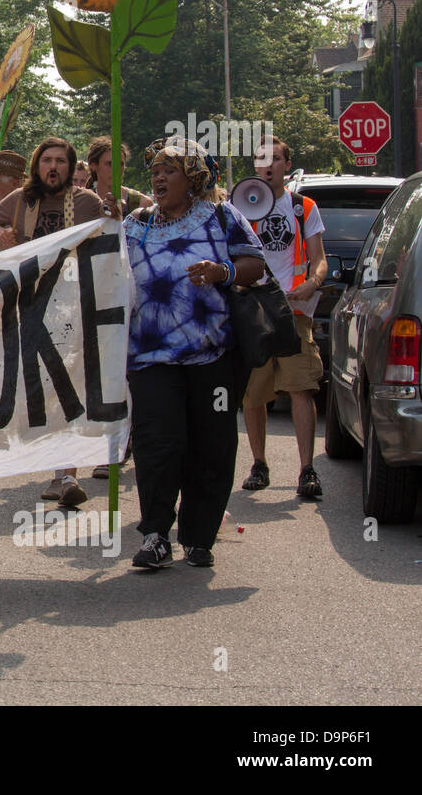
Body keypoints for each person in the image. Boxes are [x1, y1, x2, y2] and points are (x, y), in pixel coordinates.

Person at [119, 137, 265, 569]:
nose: (159, 178)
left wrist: (223, 272)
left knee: (211, 446)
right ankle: (156, 535)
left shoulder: (221, 217)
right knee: (158, 445)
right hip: (150, 359)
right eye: (156, 171)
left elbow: (256, 265)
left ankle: (199, 537)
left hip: (213, 357)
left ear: (194, 178)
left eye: (171, 170)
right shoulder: (135, 224)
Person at [0, 137, 106, 506]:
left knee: (69, 387)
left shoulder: (87, 203)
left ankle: (65, 475)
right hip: (31, 306)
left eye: (61, 161)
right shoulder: (22, 200)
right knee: (41, 389)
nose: (53, 167)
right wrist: (0, 233)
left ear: (71, 166)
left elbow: (108, 239)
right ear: (37, 166)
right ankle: (54, 465)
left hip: (73, 306)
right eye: (47, 160)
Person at [240, 135, 328, 501]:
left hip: (293, 313)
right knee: (253, 394)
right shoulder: (243, 206)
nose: (269, 165)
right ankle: (259, 464)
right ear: (255, 167)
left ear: (286, 165)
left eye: (276, 158)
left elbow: (319, 256)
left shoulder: (302, 207)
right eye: (263, 159)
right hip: (255, 312)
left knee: (300, 389)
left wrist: (313, 282)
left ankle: (307, 468)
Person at [87, 136, 151, 217]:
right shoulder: (82, 202)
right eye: (110, 164)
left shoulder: (142, 203)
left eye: (120, 164)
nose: (116, 170)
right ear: (93, 165)